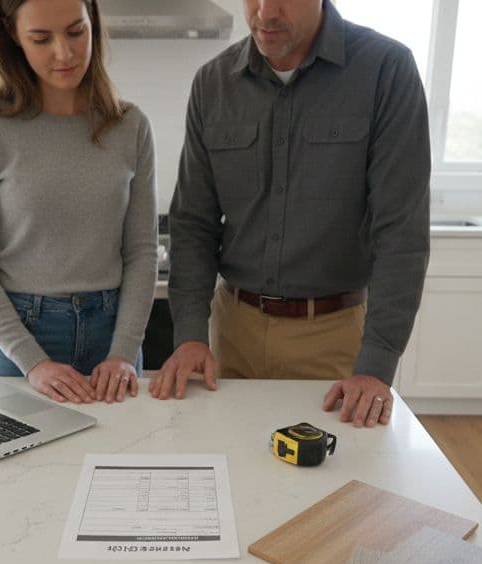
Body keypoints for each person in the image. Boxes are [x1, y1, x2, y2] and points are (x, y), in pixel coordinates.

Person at [151, 0, 430, 428]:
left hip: (334, 341)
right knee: (235, 477)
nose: (265, 13)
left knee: (328, 491)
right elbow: (192, 223)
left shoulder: (385, 70)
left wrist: (375, 366)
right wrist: (190, 335)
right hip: (233, 334)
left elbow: (401, 232)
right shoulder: (213, 83)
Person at [0, 0, 157, 404]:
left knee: (121, 459)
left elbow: (143, 252)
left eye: (76, 31)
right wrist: (34, 363)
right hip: (20, 340)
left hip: (113, 339)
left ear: (93, 23)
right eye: (41, 38)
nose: (64, 53)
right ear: (13, 35)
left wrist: (123, 351)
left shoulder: (130, 126)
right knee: (19, 467)